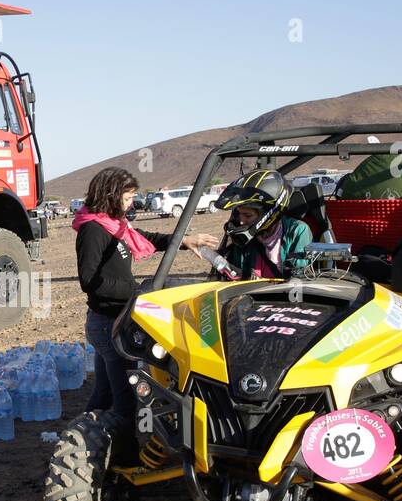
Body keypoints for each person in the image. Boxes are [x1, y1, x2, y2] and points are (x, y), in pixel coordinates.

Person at [74, 167, 217, 425]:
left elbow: (145, 238)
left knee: (105, 392)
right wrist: (138, 292)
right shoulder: (93, 230)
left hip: (119, 318)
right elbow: (91, 281)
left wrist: (183, 241)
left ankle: (86, 440)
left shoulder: (115, 225)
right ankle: (124, 457)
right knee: (124, 396)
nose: (130, 205)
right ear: (111, 195)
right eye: (127, 198)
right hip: (108, 323)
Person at [212, 169, 311, 279]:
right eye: (239, 214)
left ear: (268, 213)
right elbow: (236, 273)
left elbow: (300, 277)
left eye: (248, 215)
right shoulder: (243, 236)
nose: (241, 221)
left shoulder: (297, 230)